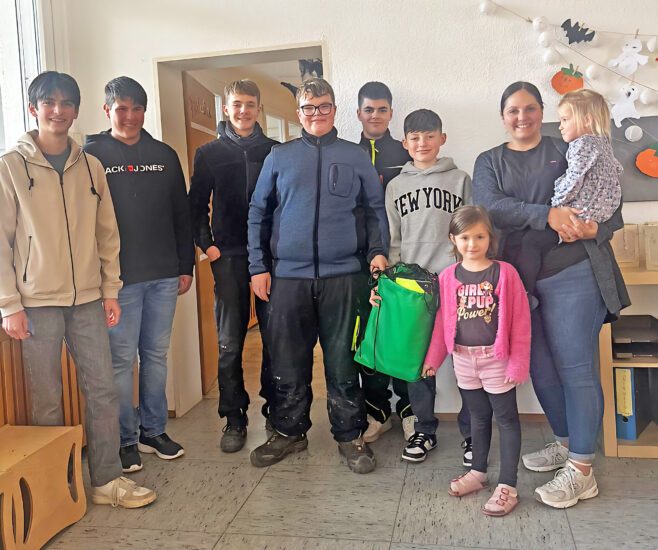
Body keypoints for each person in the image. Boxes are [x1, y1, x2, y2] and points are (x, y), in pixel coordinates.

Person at [0, 71, 155, 508]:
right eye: (49, 102)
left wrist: (110, 289)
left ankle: (107, 481)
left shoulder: (90, 166)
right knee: (46, 400)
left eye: (67, 103)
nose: (58, 110)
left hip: (88, 299)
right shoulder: (10, 167)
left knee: (103, 390)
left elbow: (107, 234)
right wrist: (9, 304)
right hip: (36, 303)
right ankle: (52, 488)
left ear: (76, 110)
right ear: (33, 108)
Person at [473, 81, 629, 509]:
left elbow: (612, 203)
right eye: (513, 110)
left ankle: (582, 469)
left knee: (576, 368)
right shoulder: (490, 160)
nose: (521, 117)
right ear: (503, 116)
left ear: (542, 112)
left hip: (573, 270)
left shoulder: (573, 145)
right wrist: (548, 215)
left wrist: (598, 228)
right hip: (519, 281)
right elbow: (489, 206)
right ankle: (565, 442)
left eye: (530, 108)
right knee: (540, 369)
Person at [248, 78, 389, 474]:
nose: (317, 114)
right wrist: (258, 267)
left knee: (343, 360)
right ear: (299, 113)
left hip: (344, 276)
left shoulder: (355, 156)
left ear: (334, 110)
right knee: (288, 360)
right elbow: (258, 212)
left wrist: (377, 252)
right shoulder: (279, 156)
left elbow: (375, 210)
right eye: (309, 108)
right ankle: (289, 431)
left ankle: (350, 434)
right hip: (287, 278)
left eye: (324, 106)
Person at [84, 76, 195, 472]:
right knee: (120, 361)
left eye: (136, 109)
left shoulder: (164, 155)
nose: (129, 116)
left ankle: (153, 431)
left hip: (164, 274)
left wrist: (185, 265)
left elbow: (181, 213)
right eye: (121, 109)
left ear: (145, 111)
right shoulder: (91, 155)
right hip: (118, 281)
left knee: (155, 356)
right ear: (107, 110)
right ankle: (125, 439)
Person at [372, 108, 473, 464]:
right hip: (413, 287)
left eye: (430, 136)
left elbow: (472, 231)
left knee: (465, 361)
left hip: (455, 282)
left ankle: (472, 434)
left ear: (442, 138)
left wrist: (470, 272)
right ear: (404, 143)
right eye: (415, 138)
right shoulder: (396, 186)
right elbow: (393, 239)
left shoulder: (460, 179)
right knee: (417, 363)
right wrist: (392, 283)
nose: (422, 143)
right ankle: (424, 429)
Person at [189, 79, 278, 453]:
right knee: (229, 343)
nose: (243, 111)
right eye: (237, 104)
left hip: (271, 259)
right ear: (226, 109)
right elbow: (196, 207)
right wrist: (209, 247)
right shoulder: (209, 153)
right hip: (228, 258)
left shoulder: (275, 151)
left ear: (258, 109)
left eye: (250, 104)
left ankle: (276, 412)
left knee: (275, 340)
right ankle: (234, 417)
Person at [423, 206, 530, 516]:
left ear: (490, 238)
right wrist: (434, 358)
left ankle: (508, 485)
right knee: (477, 417)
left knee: (506, 420)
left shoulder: (505, 273)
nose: (472, 244)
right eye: (465, 237)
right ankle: (478, 473)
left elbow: (521, 322)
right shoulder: (447, 277)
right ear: (453, 239)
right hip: (463, 360)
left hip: (496, 361)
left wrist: (518, 363)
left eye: (480, 237)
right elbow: (442, 321)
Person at [513, 89, 623, 303]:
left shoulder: (581, 144)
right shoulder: (604, 145)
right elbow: (617, 171)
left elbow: (574, 178)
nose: (560, 126)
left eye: (565, 119)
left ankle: (524, 294)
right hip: (599, 213)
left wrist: (556, 204)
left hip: (580, 212)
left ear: (587, 120)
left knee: (530, 242)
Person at [355, 81, 413, 443]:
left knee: (403, 336)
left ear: (391, 113)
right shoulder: (348, 153)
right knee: (370, 335)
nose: (375, 116)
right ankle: (377, 411)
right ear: (358, 113)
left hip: (402, 260)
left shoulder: (405, 152)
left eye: (381, 110)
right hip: (358, 261)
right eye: (368, 109)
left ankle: (408, 410)